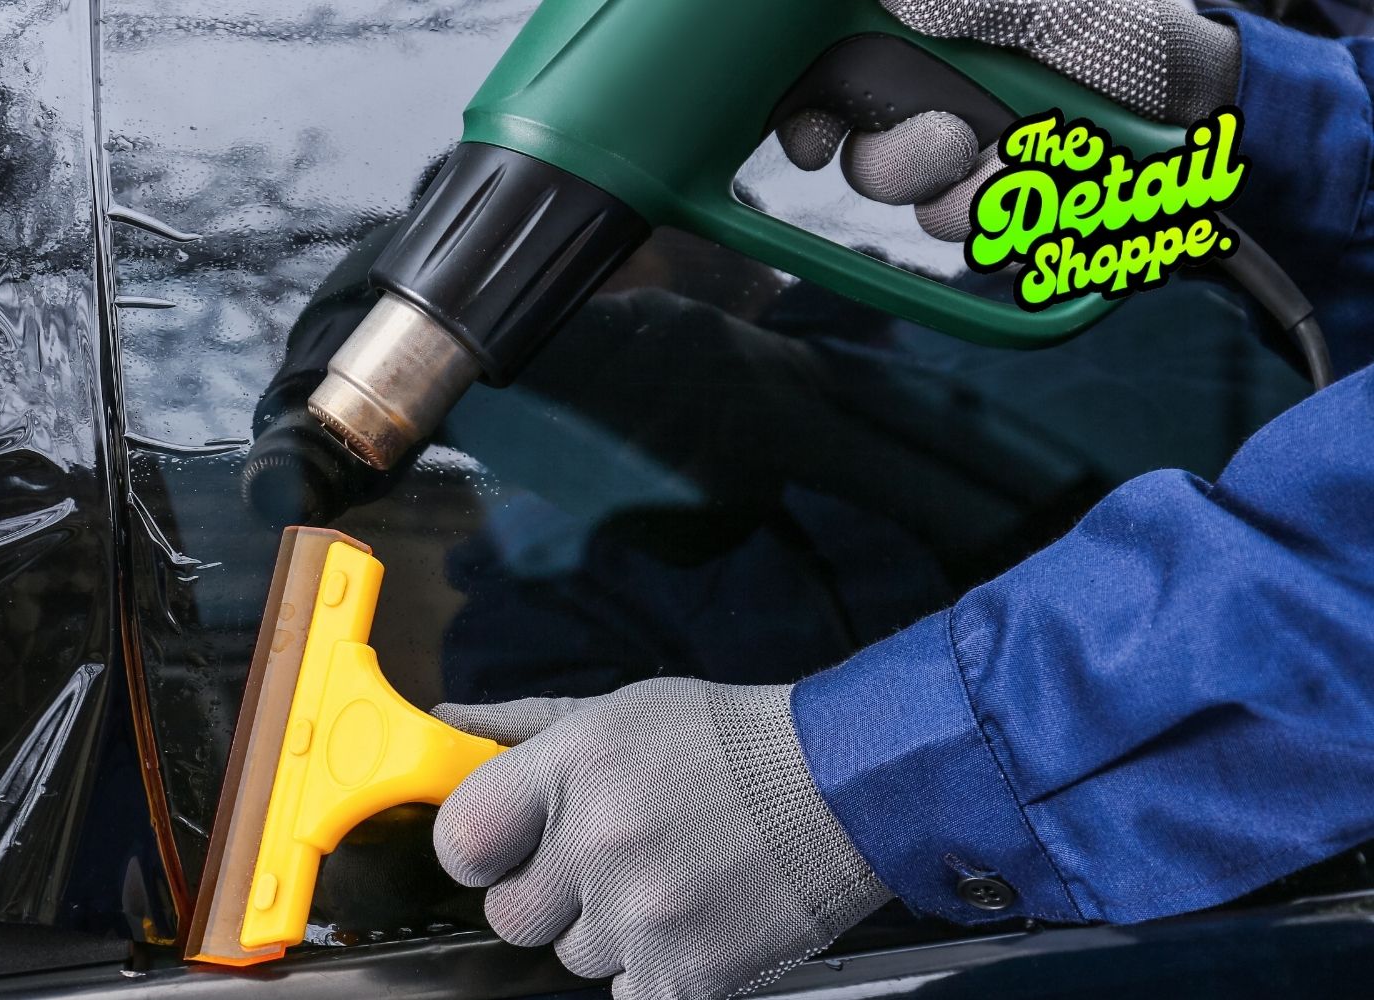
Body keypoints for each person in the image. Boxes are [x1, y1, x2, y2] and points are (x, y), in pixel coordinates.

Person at [426, 3, 1374, 998]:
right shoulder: (542, 593)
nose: (639, 307)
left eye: (617, 259)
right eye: (584, 299)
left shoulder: (1045, 320)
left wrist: (856, 784)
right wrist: (1248, 111)